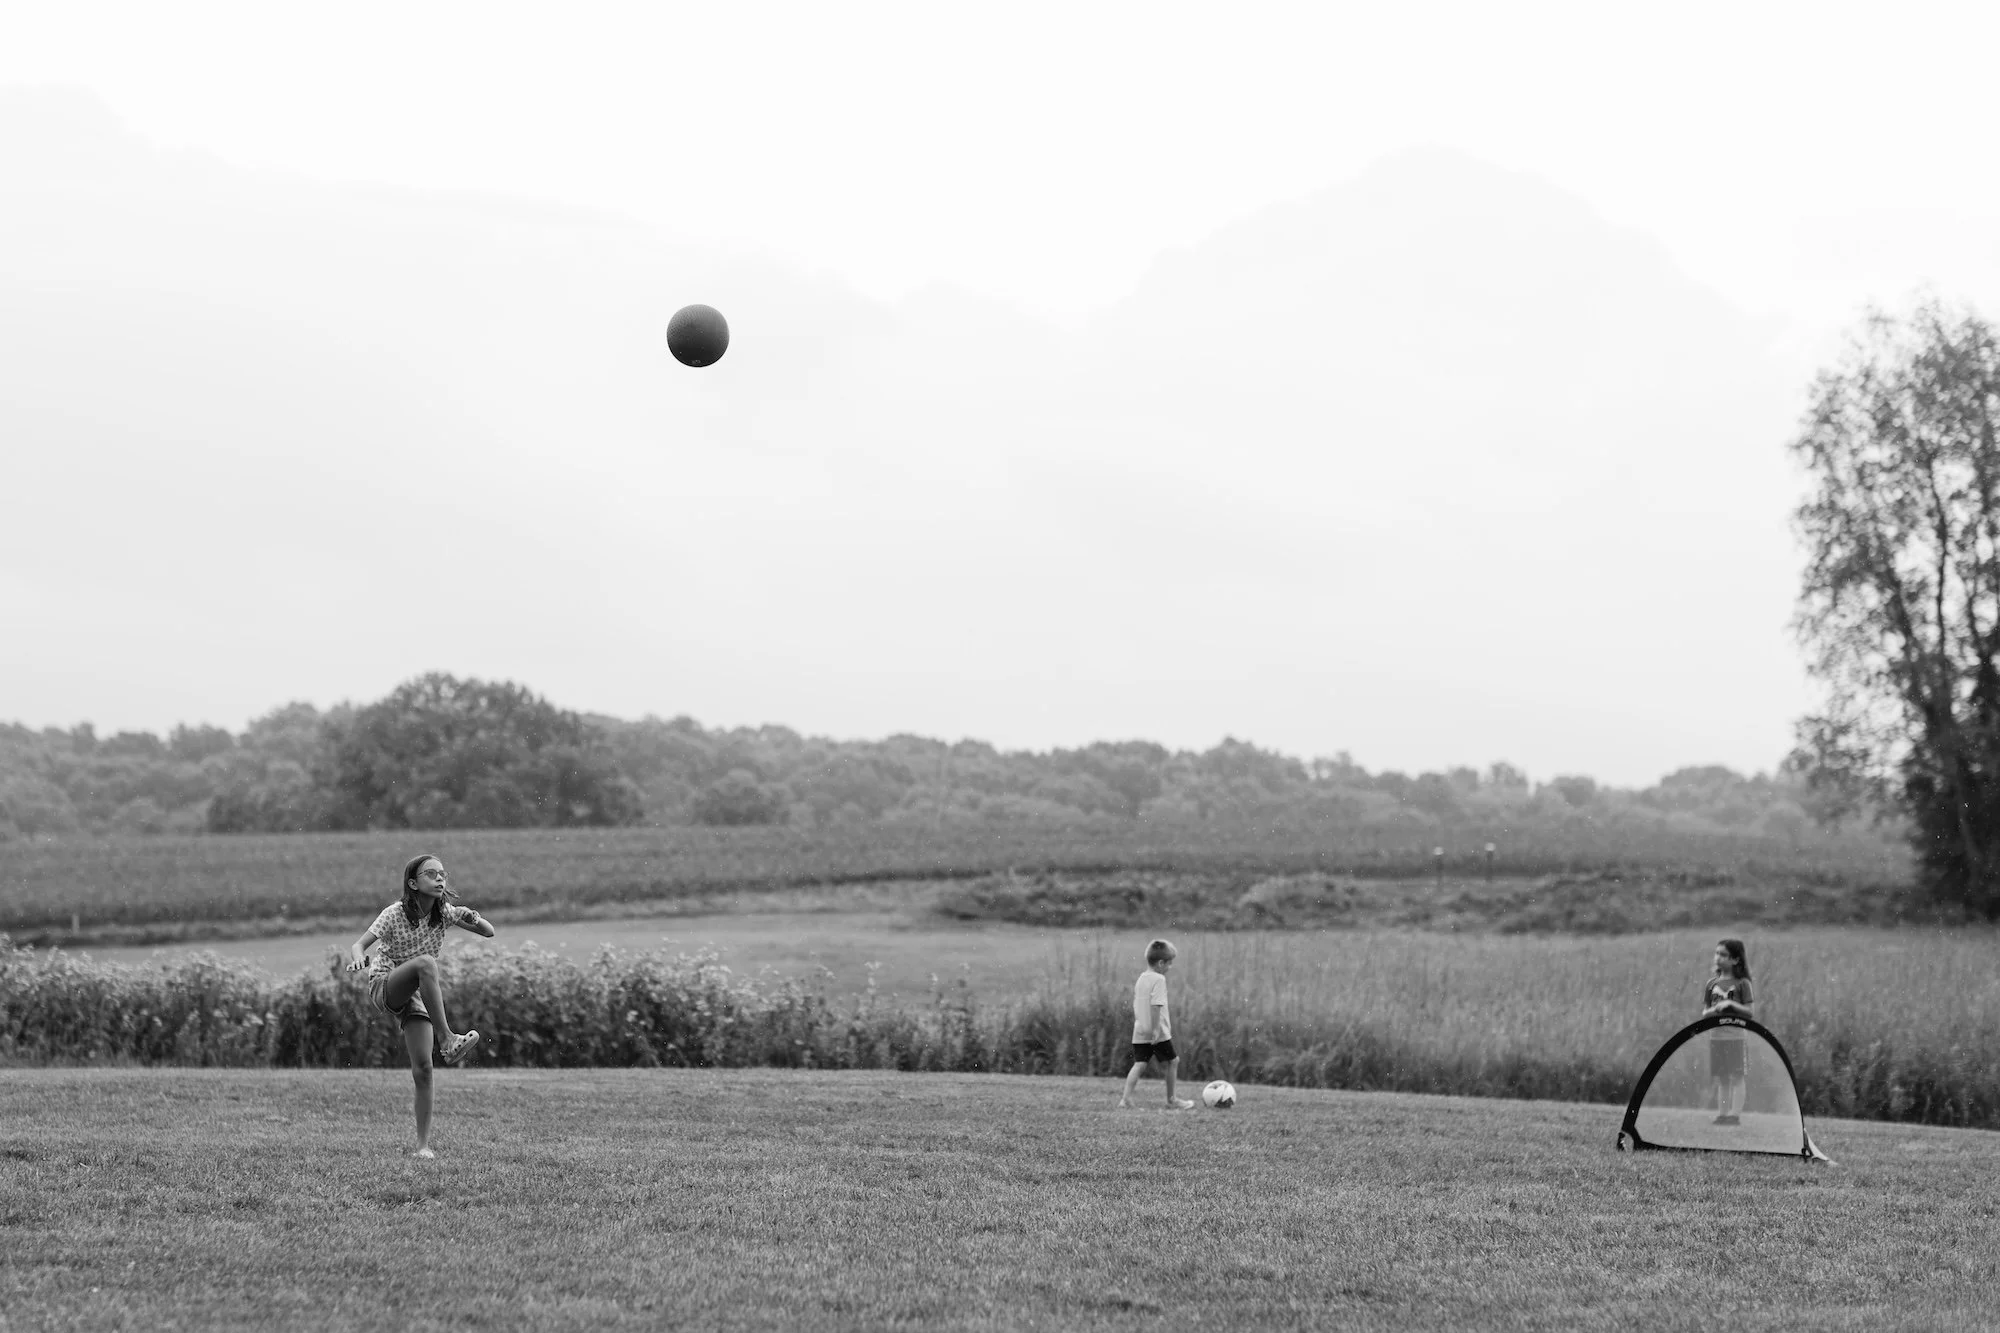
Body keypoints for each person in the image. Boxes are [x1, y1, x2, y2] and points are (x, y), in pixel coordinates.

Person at [345, 853, 496, 1158]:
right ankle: (448, 1038)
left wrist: (472, 917)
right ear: (413, 883)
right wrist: (359, 959)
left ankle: (423, 1147)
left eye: (443, 874)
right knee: (426, 963)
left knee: (424, 1068)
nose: (440, 878)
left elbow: (488, 931)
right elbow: (359, 944)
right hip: (385, 983)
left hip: (415, 993)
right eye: (431, 874)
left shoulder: (445, 913)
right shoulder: (394, 913)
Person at [1118, 938, 1194, 1110]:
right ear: (1160, 963)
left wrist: (1145, 1028)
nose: (1170, 966)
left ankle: (1125, 1099)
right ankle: (1172, 1100)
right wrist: (1155, 1030)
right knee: (1173, 1061)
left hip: (1140, 1030)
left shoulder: (1141, 978)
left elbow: (1138, 1004)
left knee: (1140, 1064)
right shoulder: (1159, 979)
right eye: (1169, 963)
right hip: (1157, 1031)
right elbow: (1156, 1006)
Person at [1701, 938, 1754, 1126]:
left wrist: (1731, 1004)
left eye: (1723, 955)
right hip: (1716, 1037)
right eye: (1717, 953)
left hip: (1736, 1037)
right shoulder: (1711, 984)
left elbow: (1750, 1012)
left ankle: (1735, 1115)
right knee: (1722, 1078)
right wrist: (1713, 1011)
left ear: (1736, 960)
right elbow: (1704, 1012)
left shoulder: (1742, 984)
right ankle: (1723, 1115)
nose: (1718, 958)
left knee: (1737, 1076)